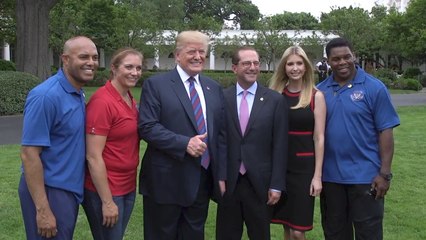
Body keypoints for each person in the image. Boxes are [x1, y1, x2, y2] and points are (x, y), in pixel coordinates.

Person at [138, 30, 227, 240]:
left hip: (201, 182)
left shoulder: (213, 88)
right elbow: (147, 126)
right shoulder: (156, 85)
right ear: (177, 55)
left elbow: (220, 134)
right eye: (191, 51)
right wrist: (184, 143)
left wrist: (221, 173)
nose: (198, 56)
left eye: (202, 51)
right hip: (165, 182)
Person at [317, 37, 400, 240]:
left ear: (354, 56)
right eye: (336, 59)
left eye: (347, 57)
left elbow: (386, 132)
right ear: (328, 61)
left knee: (368, 235)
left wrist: (385, 174)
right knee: (335, 234)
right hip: (330, 178)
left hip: (366, 177)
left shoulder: (374, 87)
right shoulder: (320, 91)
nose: (343, 62)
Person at [18, 36, 99, 239]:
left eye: (95, 57)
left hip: (68, 189)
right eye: (83, 57)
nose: (91, 62)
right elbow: (29, 154)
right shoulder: (45, 96)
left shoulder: (76, 92)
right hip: (49, 190)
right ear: (65, 59)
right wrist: (43, 209)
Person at [216, 46, 288, 240]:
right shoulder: (221, 98)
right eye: (246, 63)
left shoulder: (274, 100)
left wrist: (276, 184)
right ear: (234, 68)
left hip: (260, 184)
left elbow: (280, 146)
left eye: (256, 63)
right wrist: (220, 176)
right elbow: (219, 141)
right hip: (230, 183)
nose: (252, 67)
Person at [82, 48, 143, 240]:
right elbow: (93, 156)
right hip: (106, 190)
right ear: (114, 68)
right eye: (129, 67)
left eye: (139, 68)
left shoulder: (129, 97)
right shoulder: (102, 101)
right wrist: (107, 202)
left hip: (127, 186)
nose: (135, 72)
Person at [269, 46, 326, 240]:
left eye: (299, 63)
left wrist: (317, 176)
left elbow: (319, 137)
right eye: (290, 63)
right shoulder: (275, 95)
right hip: (280, 167)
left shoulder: (316, 96)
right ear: (284, 67)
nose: (295, 68)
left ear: (306, 67)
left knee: (298, 230)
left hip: (304, 169)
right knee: (286, 225)